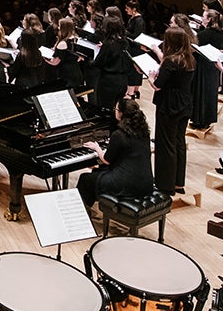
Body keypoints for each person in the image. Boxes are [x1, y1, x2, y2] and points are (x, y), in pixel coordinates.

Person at [77, 98, 154, 209]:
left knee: (85, 178)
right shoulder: (144, 131)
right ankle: (91, 208)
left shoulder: (119, 134)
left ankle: (82, 210)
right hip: (145, 183)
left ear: (121, 113)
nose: (114, 111)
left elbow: (106, 160)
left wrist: (97, 148)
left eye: (116, 109)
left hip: (126, 184)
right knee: (97, 172)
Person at [151, 26, 196, 195]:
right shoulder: (190, 59)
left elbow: (158, 85)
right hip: (184, 103)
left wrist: (150, 77)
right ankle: (178, 183)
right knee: (178, 143)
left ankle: (165, 185)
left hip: (169, 104)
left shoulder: (171, 61)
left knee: (166, 144)